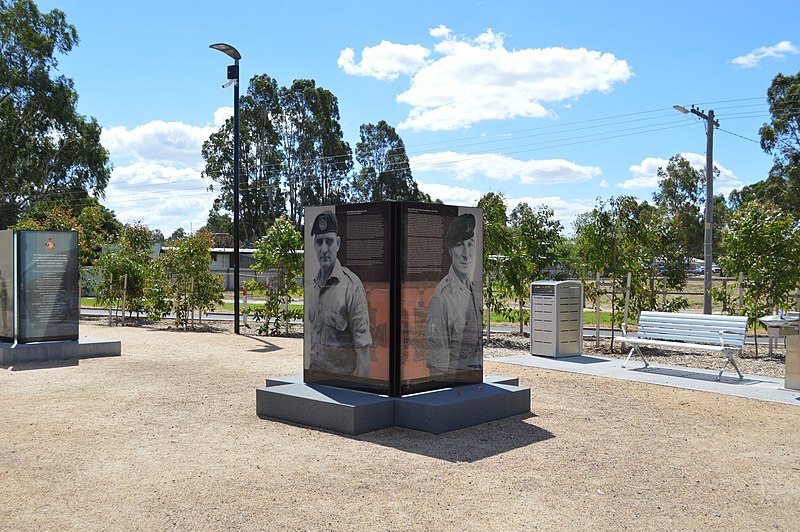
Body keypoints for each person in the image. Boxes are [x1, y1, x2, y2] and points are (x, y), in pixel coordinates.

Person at [307, 210, 372, 378]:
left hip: (341, 384)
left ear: (338, 243)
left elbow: (363, 352)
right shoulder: (314, 286)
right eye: (319, 242)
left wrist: (360, 395)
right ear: (314, 244)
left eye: (329, 242)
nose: (324, 249)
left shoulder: (351, 287)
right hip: (315, 380)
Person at [426, 213, 482, 374]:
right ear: (450, 250)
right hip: (453, 383)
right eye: (459, 245)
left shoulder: (473, 290)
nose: (466, 254)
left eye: (470, 244)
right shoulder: (442, 298)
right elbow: (437, 367)